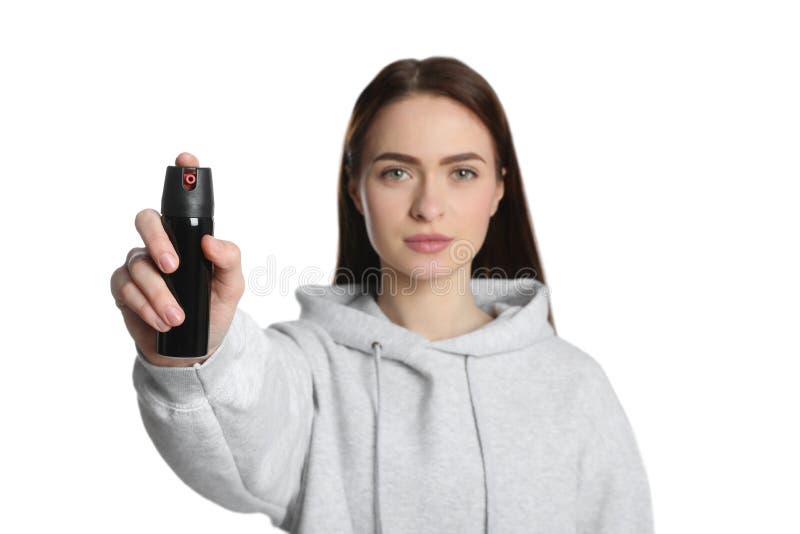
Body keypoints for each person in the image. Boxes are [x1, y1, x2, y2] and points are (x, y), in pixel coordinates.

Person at [110, 56, 654, 534]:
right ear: (356, 189)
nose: (429, 206)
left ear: (499, 189)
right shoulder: (309, 371)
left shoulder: (574, 384)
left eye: (462, 172)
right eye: (397, 172)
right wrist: (196, 347)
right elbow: (238, 416)